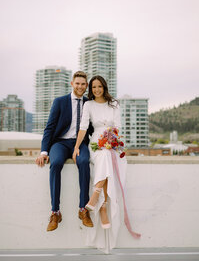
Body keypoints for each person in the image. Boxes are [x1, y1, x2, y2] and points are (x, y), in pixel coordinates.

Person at [73, 75, 140, 253]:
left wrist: (111, 141)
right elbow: (83, 127)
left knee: (108, 156)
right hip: (96, 142)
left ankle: (98, 201)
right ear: (91, 89)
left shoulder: (114, 104)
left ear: (104, 87)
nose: (96, 90)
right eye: (93, 87)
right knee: (103, 157)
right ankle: (101, 204)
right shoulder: (88, 105)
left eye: (99, 87)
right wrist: (77, 147)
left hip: (113, 141)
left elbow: (117, 127)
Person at [35, 71, 94, 231]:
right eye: (77, 83)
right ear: (72, 84)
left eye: (83, 84)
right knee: (55, 164)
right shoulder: (60, 102)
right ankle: (55, 212)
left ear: (86, 85)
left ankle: (83, 209)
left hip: (79, 143)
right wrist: (44, 151)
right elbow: (50, 127)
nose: (80, 86)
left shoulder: (89, 103)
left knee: (84, 162)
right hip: (60, 143)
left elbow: (94, 128)